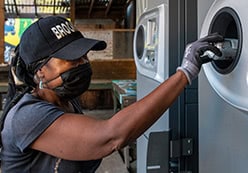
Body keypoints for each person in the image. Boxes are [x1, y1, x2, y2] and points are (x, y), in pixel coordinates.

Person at [0, 16, 223, 172]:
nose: (82, 64)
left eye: (83, 56)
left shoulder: (66, 101)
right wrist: (185, 73)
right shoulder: (26, 117)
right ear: (40, 70)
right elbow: (110, 137)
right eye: (71, 58)